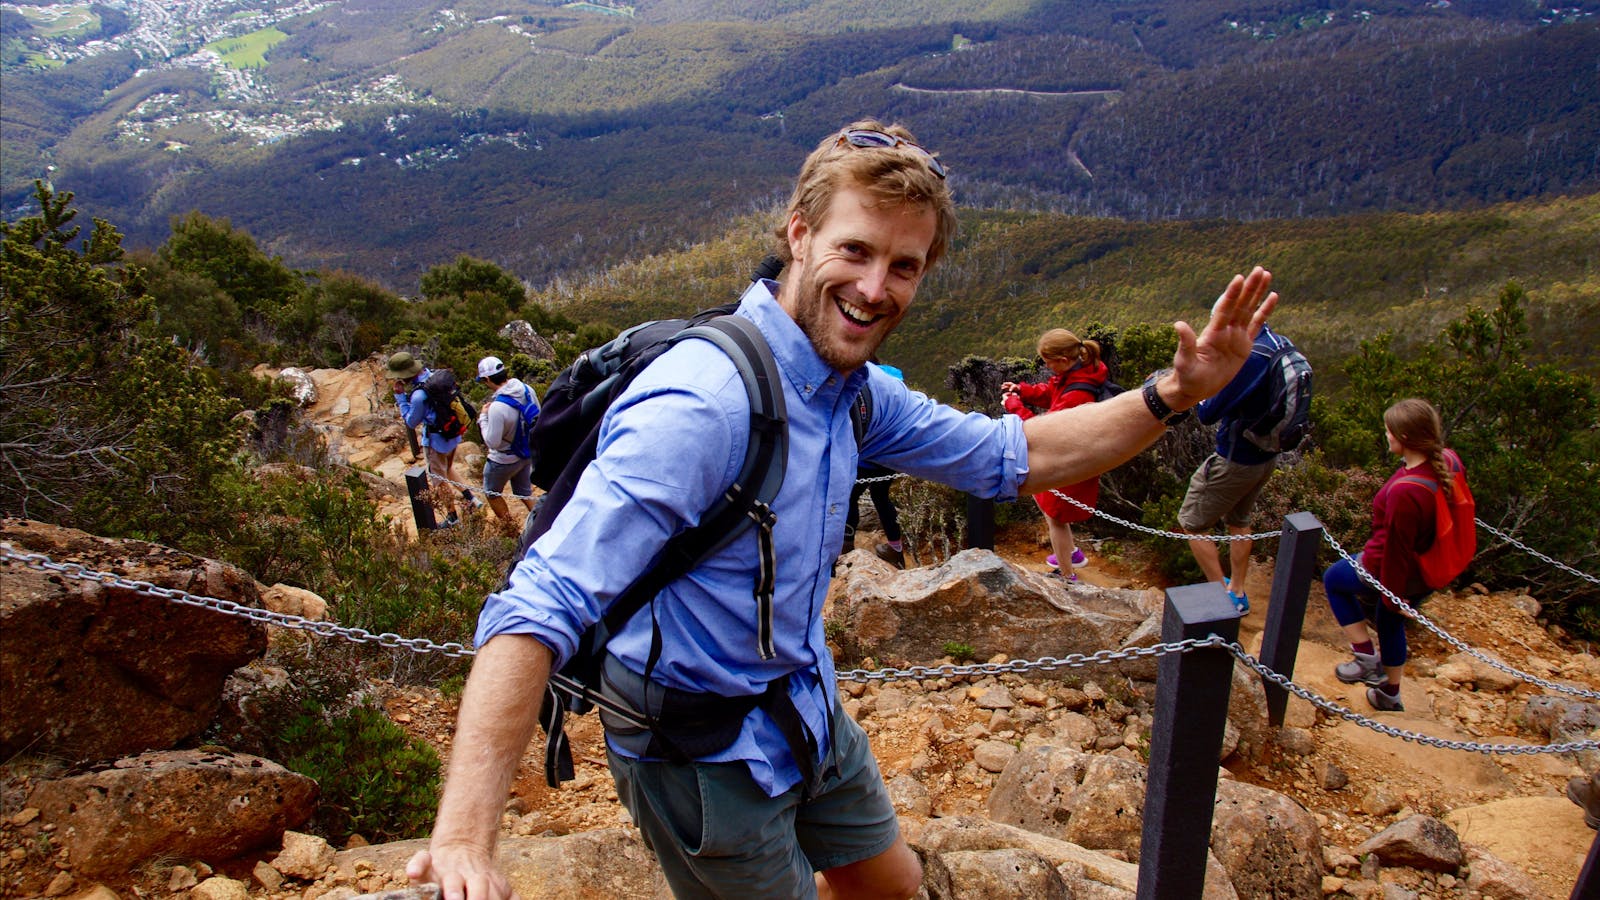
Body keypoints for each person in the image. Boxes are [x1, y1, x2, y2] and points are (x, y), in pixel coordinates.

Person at [406, 118, 1278, 900]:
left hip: (805, 705)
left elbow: (1015, 454)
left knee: (892, 887)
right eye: (855, 252)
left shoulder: (847, 389)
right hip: (701, 753)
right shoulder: (705, 406)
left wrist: (1172, 393)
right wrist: (463, 840)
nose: (875, 287)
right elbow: (538, 606)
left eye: (905, 266)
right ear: (799, 233)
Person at [1324, 398, 1464, 713]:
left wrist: (1393, 599)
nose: (1385, 435)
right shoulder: (1448, 461)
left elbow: (1397, 552)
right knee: (1389, 623)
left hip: (1389, 568)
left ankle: (1365, 658)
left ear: (1403, 438)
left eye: (1389, 431)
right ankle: (1390, 692)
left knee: (1334, 579)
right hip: (1428, 566)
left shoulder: (1406, 491)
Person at [1175, 322, 1300, 612]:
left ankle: (1222, 595)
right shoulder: (1280, 342)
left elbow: (1208, 412)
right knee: (1239, 521)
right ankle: (1238, 589)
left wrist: (1200, 382)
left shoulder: (1251, 359)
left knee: (1192, 524)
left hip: (1235, 458)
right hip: (1266, 455)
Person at [1000, 329, 1109, 582]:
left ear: (1061, 359)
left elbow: (1045, 429)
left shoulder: (1077, 393)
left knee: (1055, 517)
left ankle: (1067, 574)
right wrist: (1022, 391)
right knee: (1048, 504)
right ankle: (1071, 553)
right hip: (1072, 454)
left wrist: (1013, 406)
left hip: (1069, 459)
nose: (1046, 367)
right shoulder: (1080, 371)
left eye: (1048, 361)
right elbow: (1051, 392)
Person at [388, 351, 480, 527]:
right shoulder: (435, 376)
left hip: (436, 442)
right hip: (453, 434)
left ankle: (453, 517)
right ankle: (472, 499)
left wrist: (400, 397)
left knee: (439, 481)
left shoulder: (418, 396)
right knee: (449, 468)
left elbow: (411, 421)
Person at [844, 362, 907, 568]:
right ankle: (896, 550)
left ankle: (846, 547)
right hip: (890, 457)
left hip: (867, 457)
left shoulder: (867, 378)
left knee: (851, 496)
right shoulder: (896, 376)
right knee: (881, 497)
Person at [475, 356, 540, 525]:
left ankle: (510, 529)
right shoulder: (527, 390)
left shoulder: (497, 407)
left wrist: (483, 417)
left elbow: (492, 442)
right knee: (524, 492)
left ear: (487, 379)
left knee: (492, 493)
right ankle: (541, 523)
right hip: (526, 453)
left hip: (503, 460)